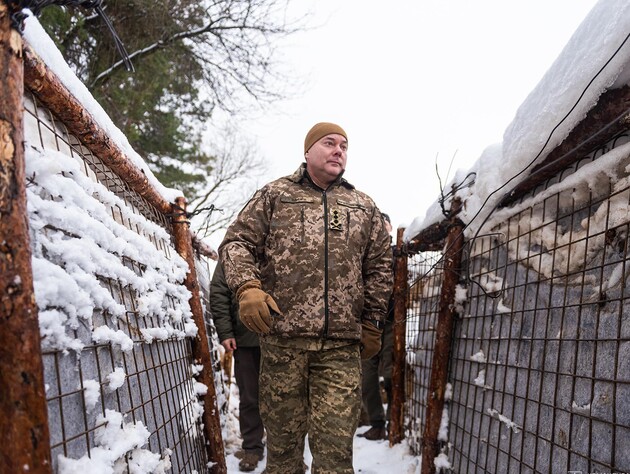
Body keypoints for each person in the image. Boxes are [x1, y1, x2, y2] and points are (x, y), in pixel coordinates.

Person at [219, 122, 393, 473]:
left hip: (341, 350)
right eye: (329, 143)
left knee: (334, 459)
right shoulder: (276, 195)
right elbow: (236, 243)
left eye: (344, 145)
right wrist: (247, 288)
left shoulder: (363, 207)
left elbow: (380, 267)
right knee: (283, 456)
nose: (338, 150)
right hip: (283, 345)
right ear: (308, 150)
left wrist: (373, 321)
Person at [210, 261, 265, 472]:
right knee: (250, 397)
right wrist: (226, 332)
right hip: (246, 338)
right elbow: (219, 293)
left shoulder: (285, 236)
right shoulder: (233, 250)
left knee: (289, 397)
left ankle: (289, 452)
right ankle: (252, 447)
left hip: (284, 338)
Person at [358, 213, 395, 441]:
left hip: (392, 323)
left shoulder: (398, 253)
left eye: (384, 223)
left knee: (391, 373)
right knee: (366, 378)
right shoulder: (363, 253)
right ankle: (377, 423)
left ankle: (394, 421)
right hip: (368, 323)